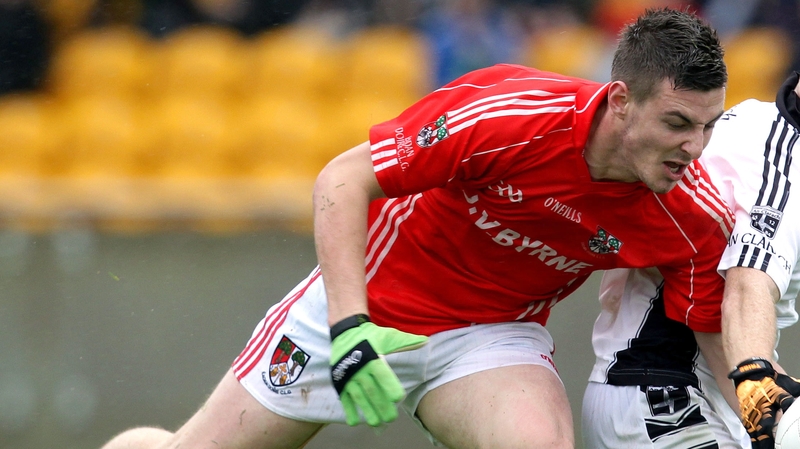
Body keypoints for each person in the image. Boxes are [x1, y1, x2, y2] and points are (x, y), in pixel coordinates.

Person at [100, 8, 729, 449]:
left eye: (707, 126)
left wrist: (766, 417)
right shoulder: (508, 114)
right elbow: (342, 181)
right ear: (620, 100)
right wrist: (350, 328)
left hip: (489, 336)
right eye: (677, 123)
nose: (694, 147)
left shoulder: (692, 212)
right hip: (364, 306)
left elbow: (712, 333)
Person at [582, 72, 800, 449]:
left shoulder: (755, 121)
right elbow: (747, 289)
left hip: (688, 395)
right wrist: (763, 393)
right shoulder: (781, 150)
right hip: (663, 392)